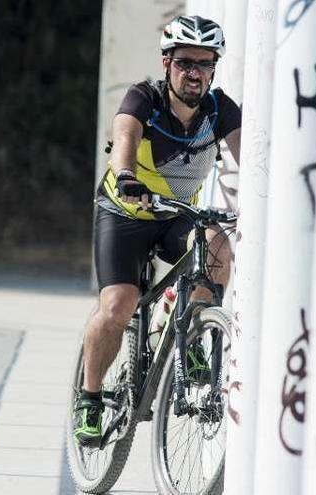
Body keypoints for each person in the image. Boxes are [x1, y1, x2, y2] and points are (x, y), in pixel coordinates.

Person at [73, 15, 242, 447]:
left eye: (205, 63)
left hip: (174, 215)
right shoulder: (143, 99)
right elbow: (124, 138)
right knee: (118, 305)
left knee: (216, 246)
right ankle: (89, 398)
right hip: (126, 212)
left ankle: (192, 332)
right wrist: (127, 177)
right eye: (186, 61)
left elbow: (253, 159)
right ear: (167, 63)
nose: (195, 72)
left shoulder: (220, 110)